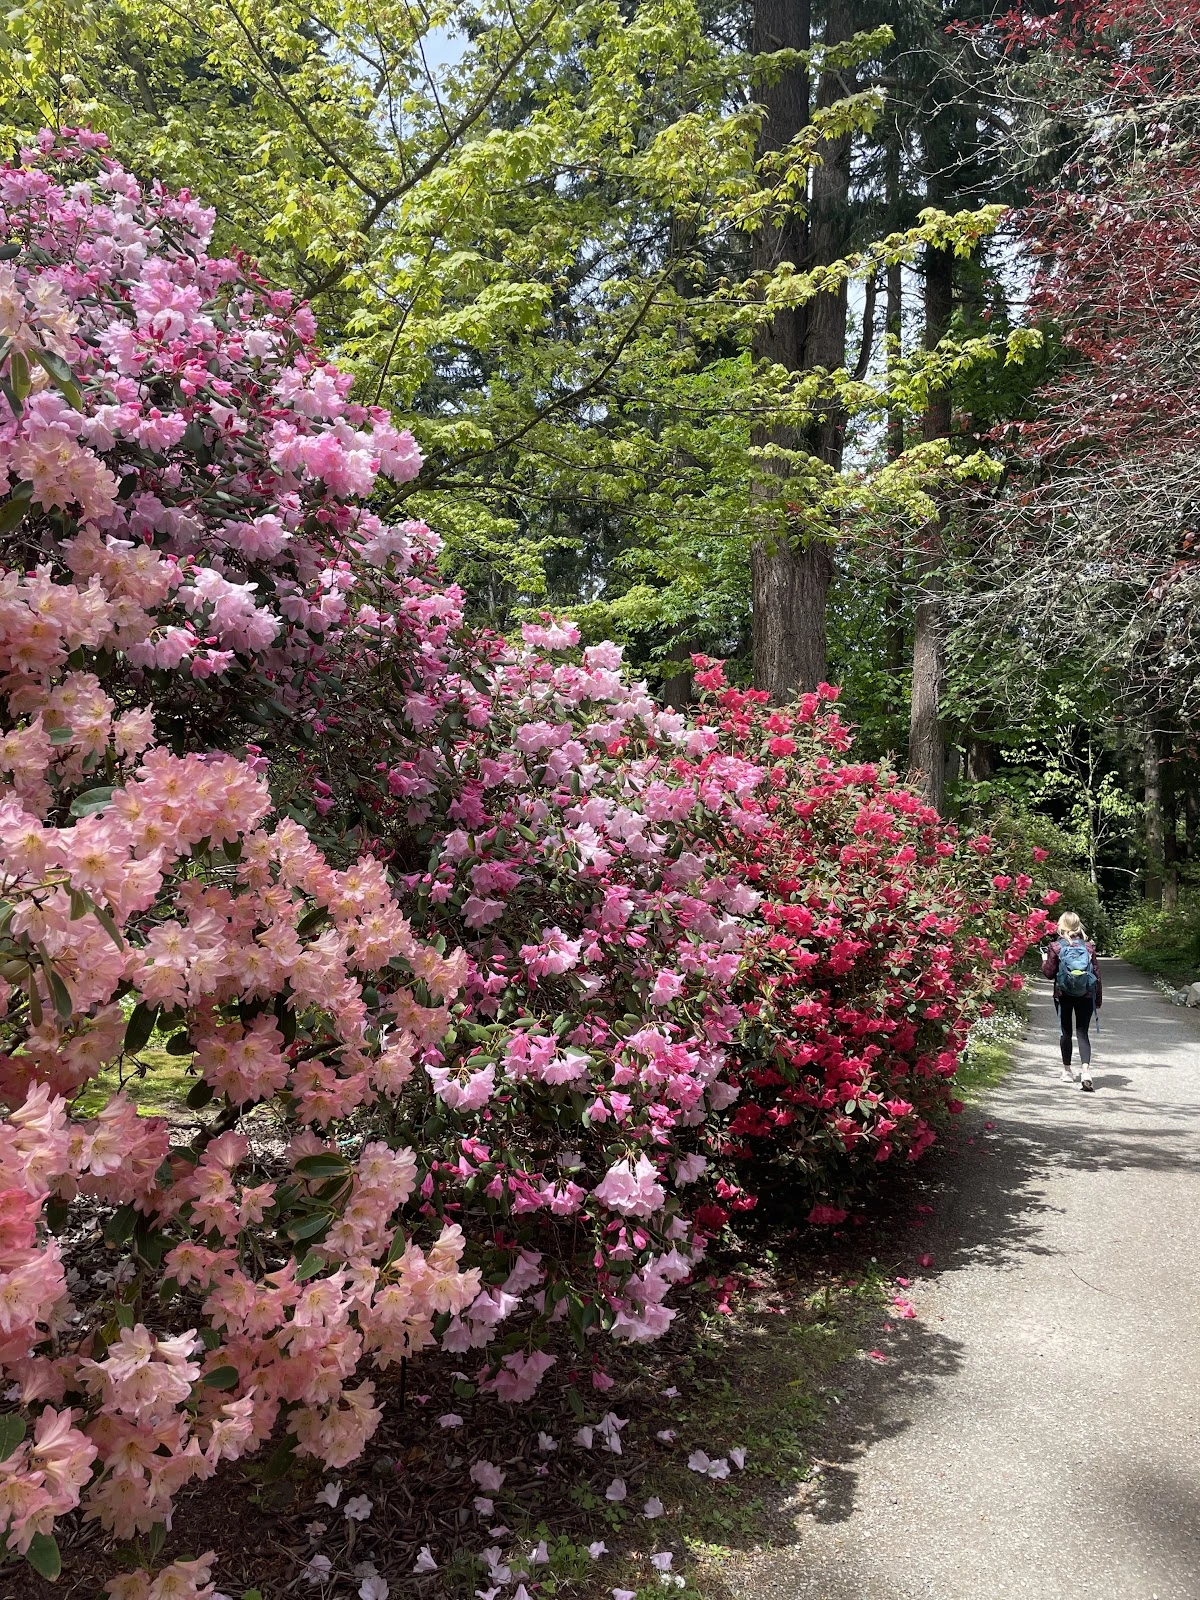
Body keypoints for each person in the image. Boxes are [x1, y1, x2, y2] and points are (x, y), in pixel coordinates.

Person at [1041, 911, 1102, 1092]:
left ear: (1061, 925)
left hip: (1063, 994)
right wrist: (1097, 999)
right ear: (1078, 925)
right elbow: (1097, 975)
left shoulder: (1056, 947)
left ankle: (1067, 1071)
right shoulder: (1088, 947)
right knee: (1082, 1033)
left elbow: (1049, 974)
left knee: (1065, 1032)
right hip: (1086, 994)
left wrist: (1044, 960)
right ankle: (1085, 1072)